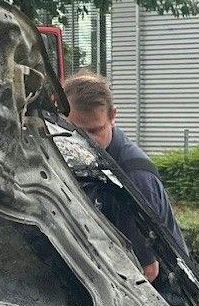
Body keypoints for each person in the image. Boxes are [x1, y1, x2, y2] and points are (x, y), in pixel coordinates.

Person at [63, 72, 191, 283]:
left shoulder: (133, 177)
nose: (86, 141)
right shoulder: (74, 155)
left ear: (113, 116)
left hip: (164, 294)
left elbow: (147, 271)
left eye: (95, 130)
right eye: (76, 131)